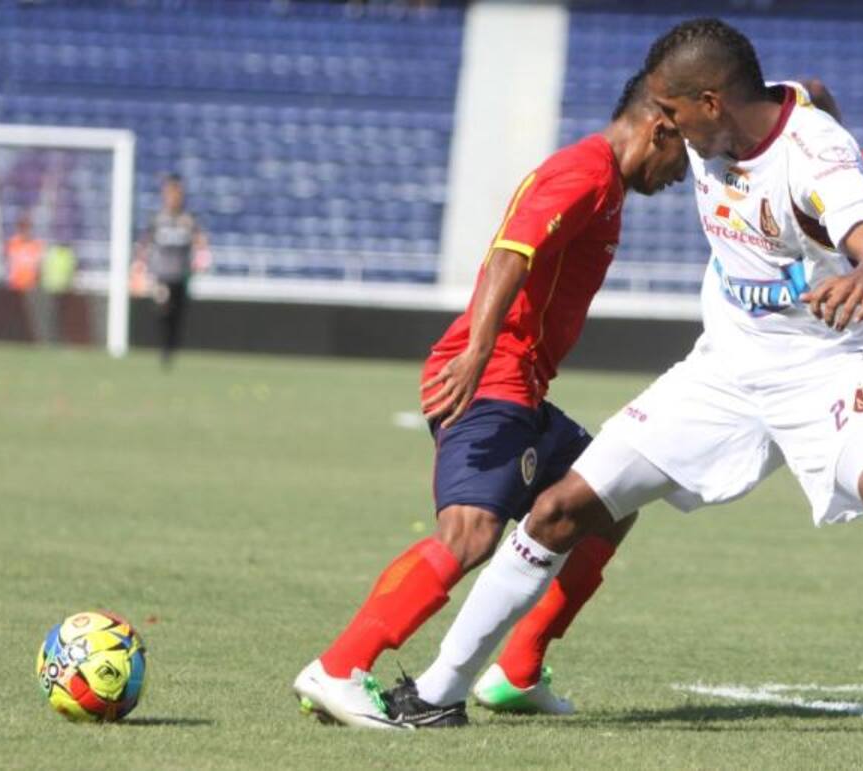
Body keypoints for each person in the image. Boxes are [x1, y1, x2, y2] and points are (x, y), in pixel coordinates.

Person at [382, 19, 863, 754]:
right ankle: (437, 690)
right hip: (725, 368)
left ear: (710, 103)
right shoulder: (739, 118)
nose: (660, 126)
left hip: (833, 364)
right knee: (560, 508)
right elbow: (812, 92)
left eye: (671, 112)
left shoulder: (816, 155)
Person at [291, 70, 689, 729]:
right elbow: (514, 251)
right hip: (491, 372)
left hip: (523, 384)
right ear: (660, 130)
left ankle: (517, 671)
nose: (682, 175)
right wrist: (477, 352)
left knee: (610, 502)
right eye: (684, 156)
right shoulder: (586, 171)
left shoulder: (607, 184)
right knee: (471, 533)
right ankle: (339, 665)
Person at [135, 174, 208, 367]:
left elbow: (200, 242)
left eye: (177, 193)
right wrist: (140, 264)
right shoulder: (158, 219)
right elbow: (145, 243)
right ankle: (164, 349)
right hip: (161, 275)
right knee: (163, 309)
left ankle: (171, 349)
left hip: (181, 275)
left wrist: (202, 259)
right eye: (170, 193)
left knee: (178, 315)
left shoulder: (188, 220)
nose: (174, 197)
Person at [5, 213, 44, 292]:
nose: (25, 230)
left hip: (31, 287)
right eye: (23, 226)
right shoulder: (12, 243)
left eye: (27, 226)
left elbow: (38, 268)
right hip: (15, 286)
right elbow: (10, 265)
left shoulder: (37, 245)